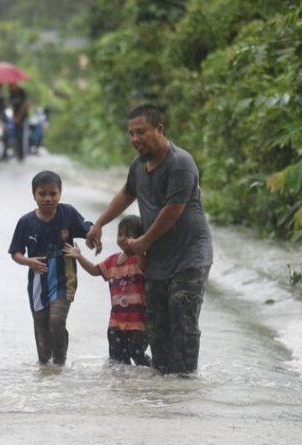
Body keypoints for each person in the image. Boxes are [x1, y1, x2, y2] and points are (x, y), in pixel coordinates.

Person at [84, 104, 213, 375]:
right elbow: (126, 193)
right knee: (155, 325)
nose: (135, 139)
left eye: (141, 132)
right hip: (157, 258)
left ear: (159, 129)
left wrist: (142, 242)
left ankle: (186, 383)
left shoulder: (180, 163)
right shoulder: (139, 165)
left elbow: (172, 212)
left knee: (181, 313)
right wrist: (99, 224)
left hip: (189, 255)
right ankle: (164, 386)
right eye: (131, 134)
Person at [9, 170, 92, 366]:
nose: (48, 198)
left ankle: (61, 362)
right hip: (38, 281)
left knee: (56, 320)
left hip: (65, 279)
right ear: (34, 195)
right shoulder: (26, 222)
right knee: (41, 327)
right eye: (42, 194)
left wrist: (93, 237)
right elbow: (15, 253)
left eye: (53, 194)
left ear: (60, 194)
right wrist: (29, 262)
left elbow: (87, 228)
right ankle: (46, 370)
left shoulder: (68, 213)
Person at [65, 215, 151, 366]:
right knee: (116, 360)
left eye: (128, 235)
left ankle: (146, 381)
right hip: (116, 322)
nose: (123, 238)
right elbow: (94, 270)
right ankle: (121, 387)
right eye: (120, 234)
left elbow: (144, 267)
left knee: (138, 357)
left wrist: (139, 247)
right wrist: (79, 256)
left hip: (138, 323)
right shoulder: (112, 261)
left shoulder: (140, 259)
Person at [8, 82, 29, 161]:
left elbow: (24, 105)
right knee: (16, 136)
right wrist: (14, 117)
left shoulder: (22, 92)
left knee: (22, 136)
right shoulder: (12, 94)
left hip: (22, 117)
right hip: (15, 118)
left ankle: (22, 155)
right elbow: (12, 106)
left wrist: (19, 117)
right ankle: (17, 153)